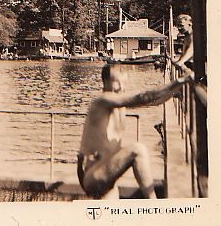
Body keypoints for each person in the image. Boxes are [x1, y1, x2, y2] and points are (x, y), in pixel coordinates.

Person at [77, 64, 191, 199]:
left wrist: (173, 92)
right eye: (117, 82)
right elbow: (143, 97)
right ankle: (154, 205)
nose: (121, 87)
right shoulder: (101, 101)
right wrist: (179, 81)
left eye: (124, 83)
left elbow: (153, 101)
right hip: (95, 176)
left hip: (108, 176)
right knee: (137, 150)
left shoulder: (119, 106)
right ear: (105, 81)